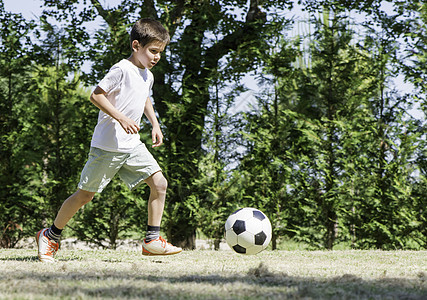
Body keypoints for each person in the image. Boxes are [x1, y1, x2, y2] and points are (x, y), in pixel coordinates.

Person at [36, 18, 182, 262]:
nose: (157, 57)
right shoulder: (121, 69)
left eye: (160, 52)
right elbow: (97, 95)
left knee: (160, 184)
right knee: (85, 196)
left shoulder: (148, 75)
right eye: (153, 51)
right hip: (107, 146)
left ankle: (151, 240)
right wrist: (122, 118)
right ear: (136, 45)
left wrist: (155, 124)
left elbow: (144, 98)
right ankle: (50, 235)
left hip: (132, 145)